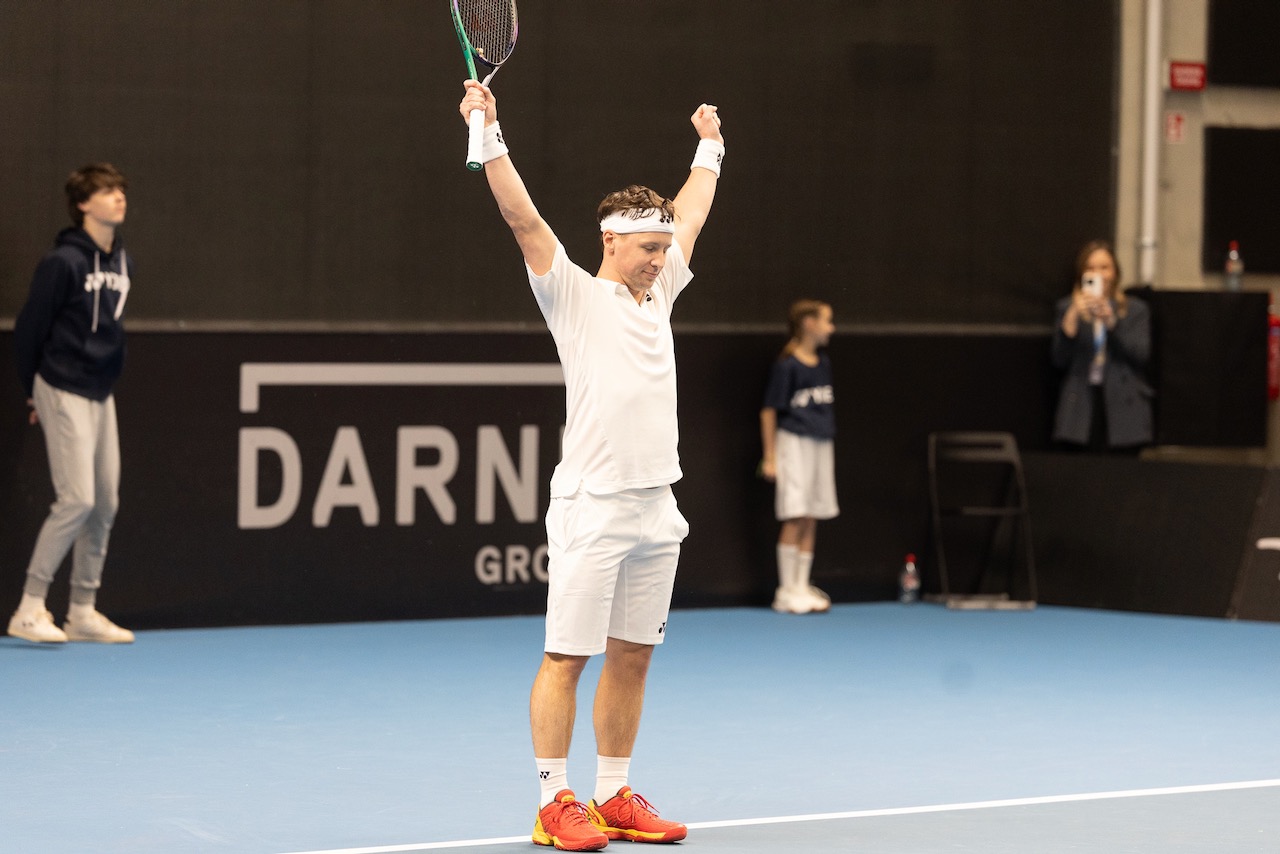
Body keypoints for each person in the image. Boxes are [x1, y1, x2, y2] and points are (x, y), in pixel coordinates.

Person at [458, 80, 723, 850]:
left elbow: (692, 211)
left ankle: (612, 793)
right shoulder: (570, 293)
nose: (661, 261)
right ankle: (554, 801)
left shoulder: (662, 287)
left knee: (633, 657)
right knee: (567, 657)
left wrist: (709, 146)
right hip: (592, 506)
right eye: (649, 250)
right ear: (611, 242)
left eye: (664, 251)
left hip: (656, 507)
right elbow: (522, 218)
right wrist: (488, 133)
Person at [8, 163, 135, 645]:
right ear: (83, 204)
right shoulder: (63, 262)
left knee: (104, 503)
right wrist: (33, 390)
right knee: (77, 499)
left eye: (121, 189)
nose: (119, 196)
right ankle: (29, 608)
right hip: (60, 384)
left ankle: (81, 611)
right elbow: (30, 329)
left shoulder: (123, 262)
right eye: (106, 191)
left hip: (101, 391)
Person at [759, 300, 839, 615]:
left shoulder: (823, 363)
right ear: (809, 323)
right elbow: (769, 411)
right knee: (795, 514)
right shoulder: (787, 365)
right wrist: (770, 457)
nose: (831, 328)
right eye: (827, 321)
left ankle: (802, 585)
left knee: (812, 513)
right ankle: (786, 590)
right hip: (793, 443)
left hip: (821, 443)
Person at [1051, 239, 1152, 452]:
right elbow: (1059, 361)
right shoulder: (1067, 308)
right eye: (1091, 268)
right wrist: (1070, 325)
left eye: (1104, 268)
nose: (1098, 274)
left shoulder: (1134, 310)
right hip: (1080, 405)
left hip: (1122, 406)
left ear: (1115, 272)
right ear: (1082, 273)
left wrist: (1112, 324)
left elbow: (1140, 355)